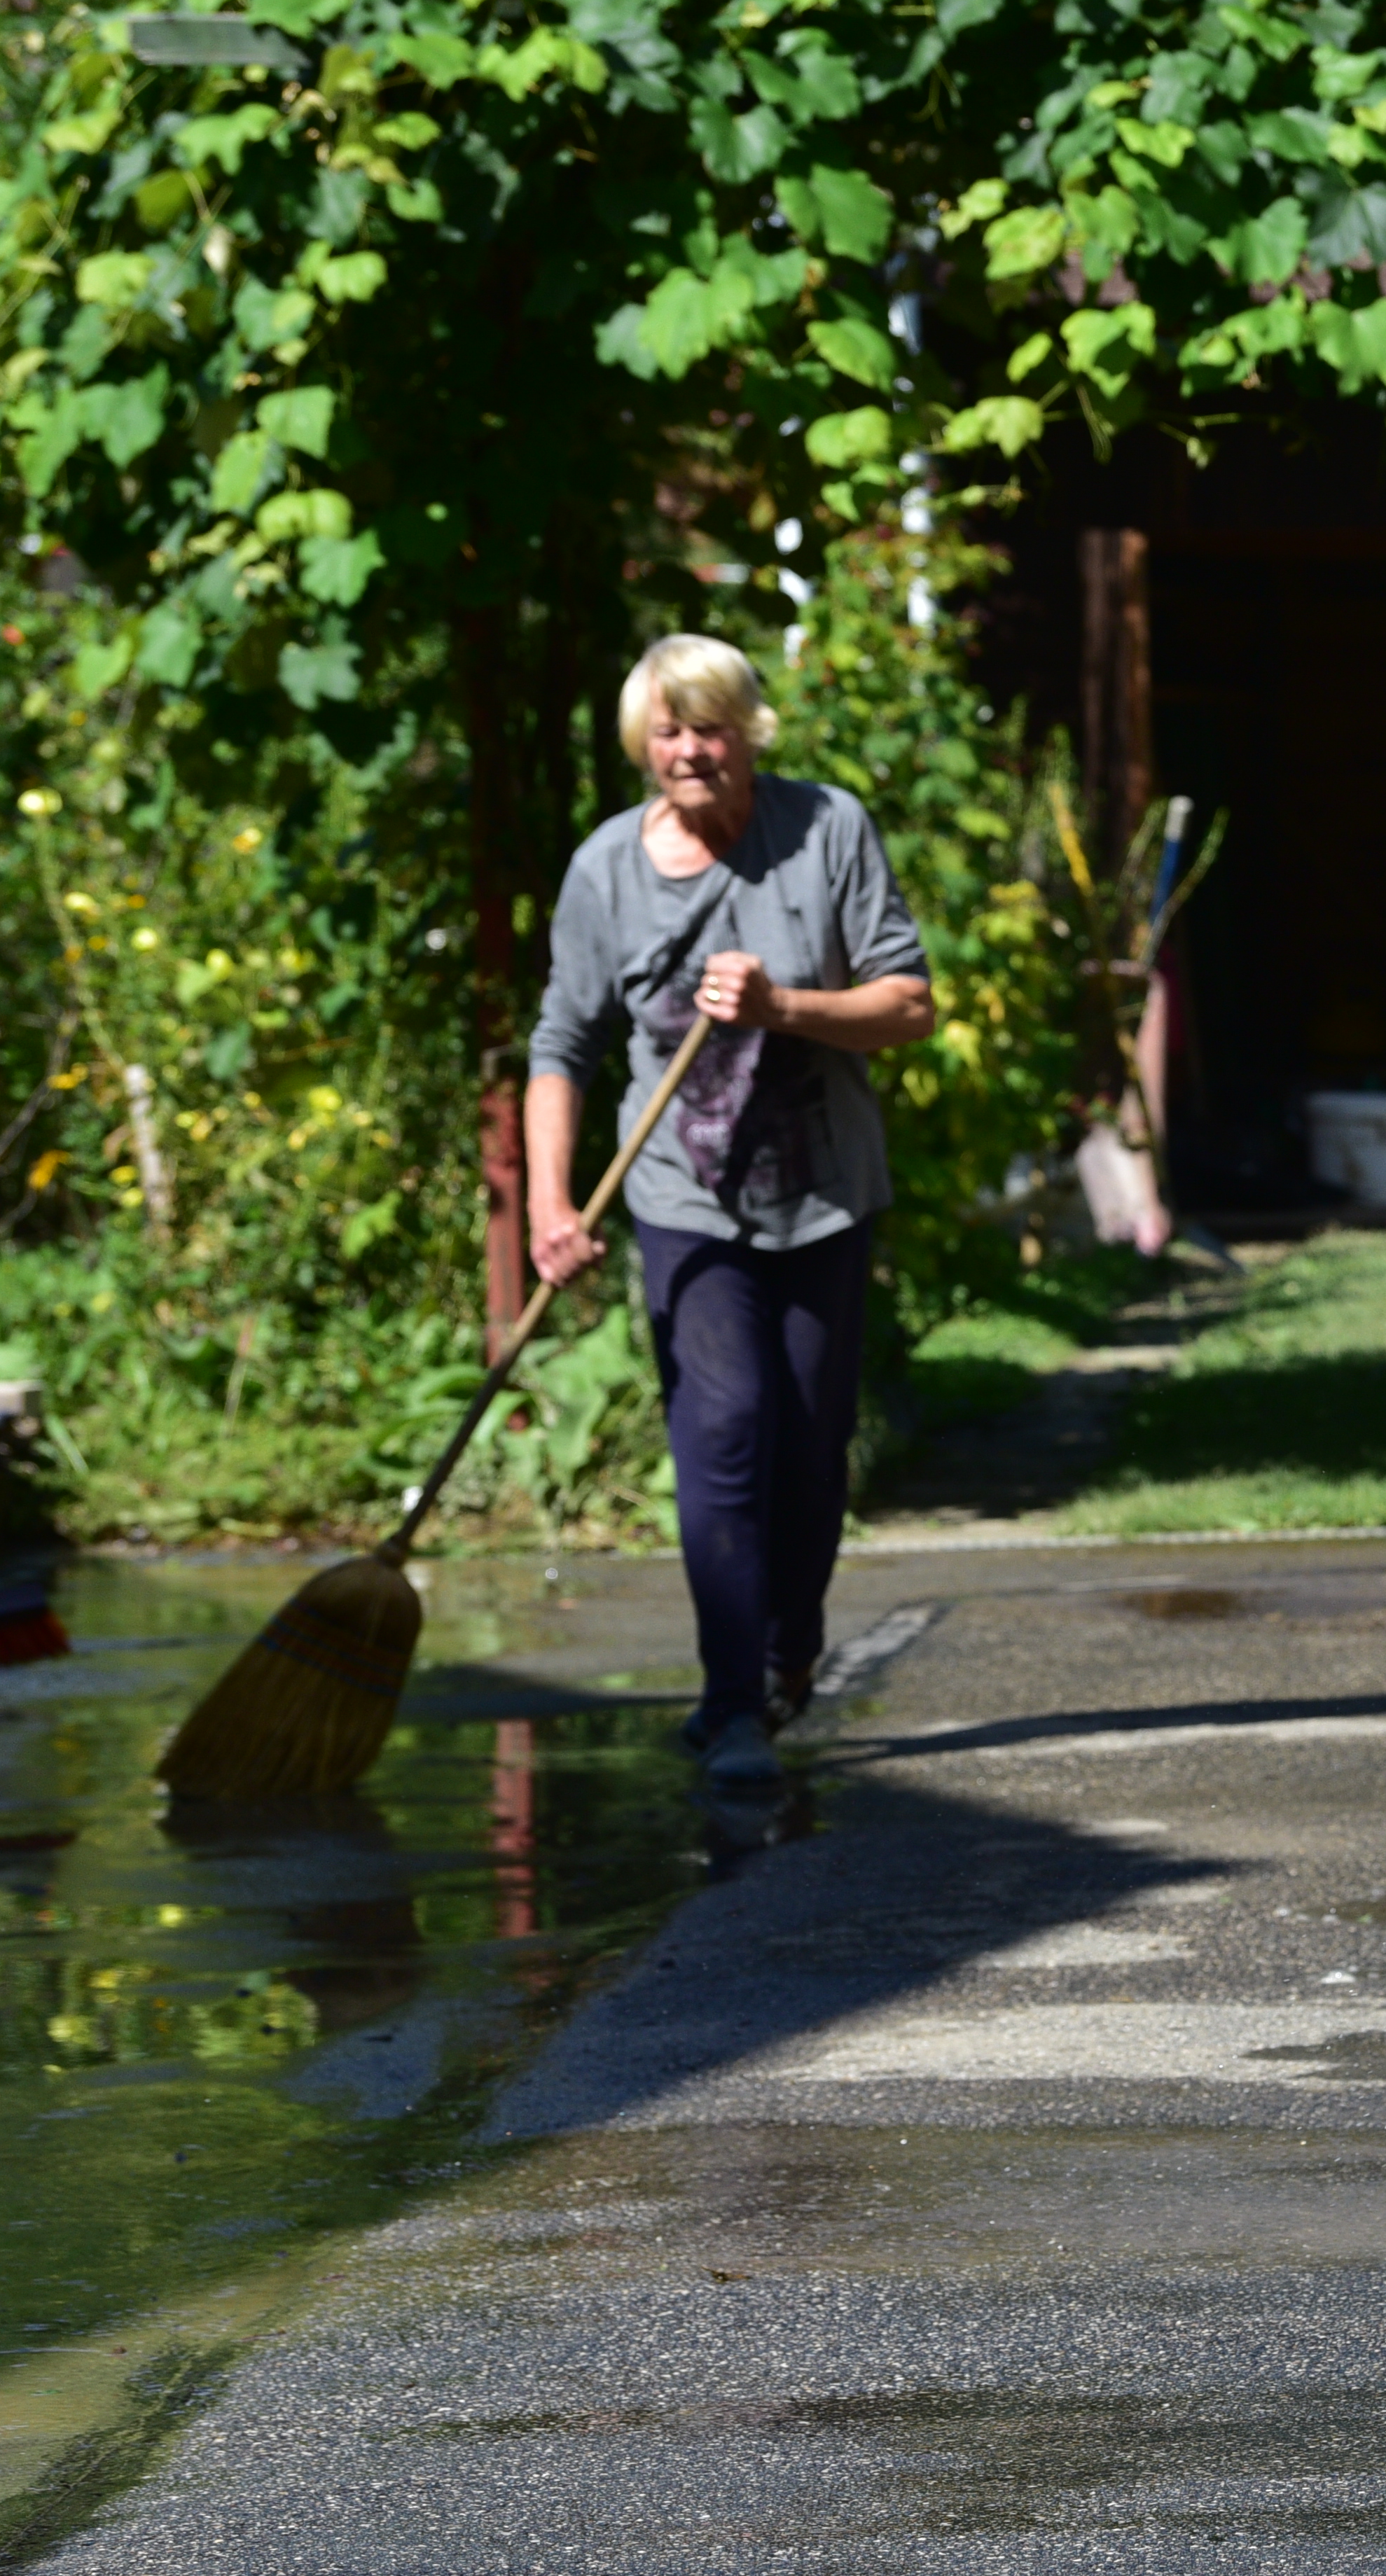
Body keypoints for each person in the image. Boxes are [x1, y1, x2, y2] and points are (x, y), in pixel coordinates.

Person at [527, 634, 936, 1791]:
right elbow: (561, 1041)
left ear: (746, 732)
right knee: (726, 1426)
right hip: (679, 1194)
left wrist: (784, 1003)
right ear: (640, 745)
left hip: (822, 1189)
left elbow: (909, 1005)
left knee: (810, 1445)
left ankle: (785, 1653)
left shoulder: (826, 830)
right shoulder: (606, 870)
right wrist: (551, 1203)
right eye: (667, 732)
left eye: (709, 728)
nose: (690, 752)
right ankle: (731, 1695)